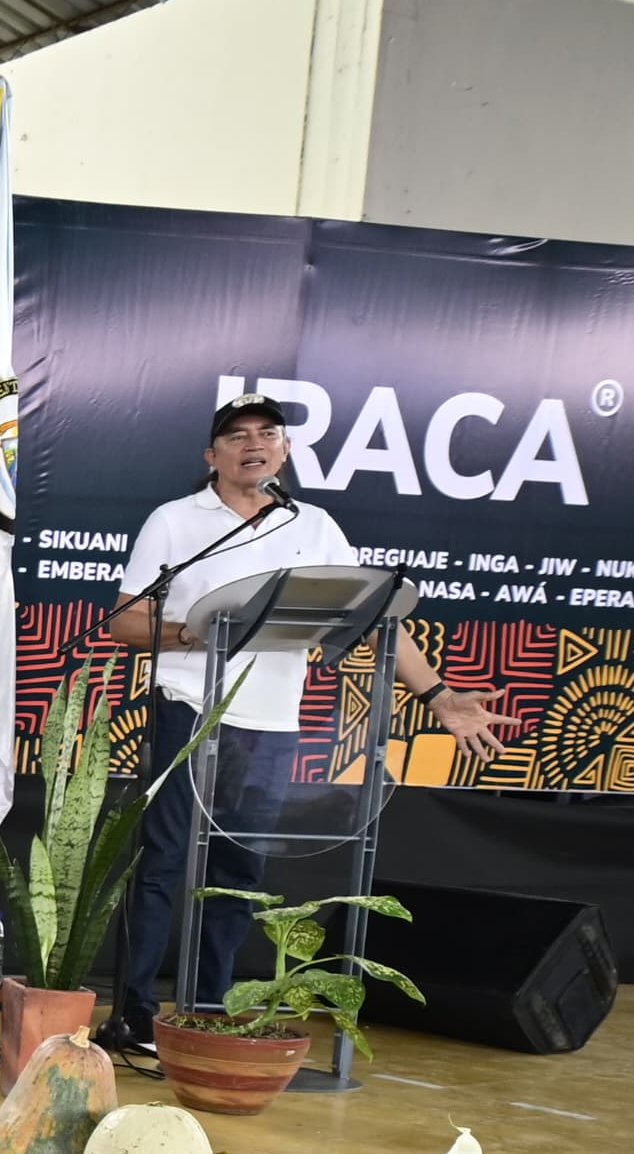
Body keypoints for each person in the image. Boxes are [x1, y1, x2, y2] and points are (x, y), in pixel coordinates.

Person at [103, 397, 504, 1049]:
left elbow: (373, 613)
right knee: (161, 862)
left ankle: (207, 1008)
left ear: (284, 450)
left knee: (239, 871)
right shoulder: (176, 520)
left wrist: (438, 695)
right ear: (213, 456)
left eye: (267, 433)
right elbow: (124, 621)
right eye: (236, 436)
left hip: (269, 723)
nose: (253, 444)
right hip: (186, 706)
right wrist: (193, 634)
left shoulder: (313, 526)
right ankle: (136, 1012)